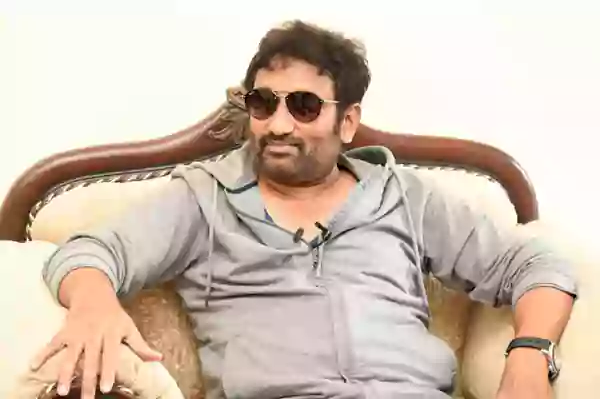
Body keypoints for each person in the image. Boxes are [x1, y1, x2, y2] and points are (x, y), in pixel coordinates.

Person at [32, 20, 577, 399]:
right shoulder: (203, 197)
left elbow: (538, 265)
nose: (278, 124)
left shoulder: (404, 196)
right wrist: (94, 305)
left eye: (304, 106)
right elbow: (87, 252)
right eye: (263, 103)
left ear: (347, 122)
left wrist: (530, 354)